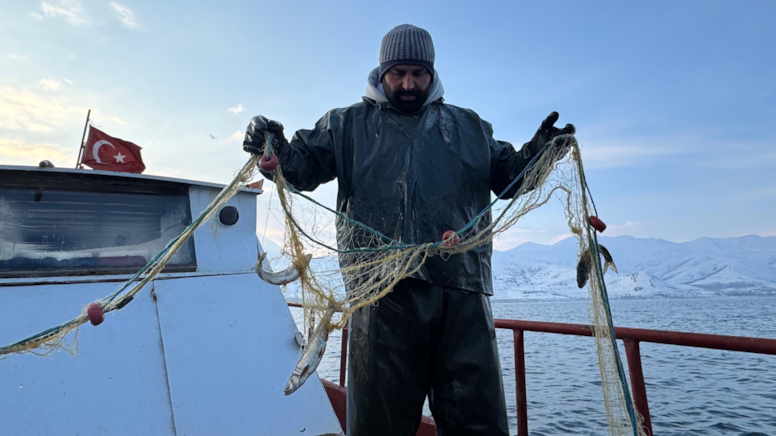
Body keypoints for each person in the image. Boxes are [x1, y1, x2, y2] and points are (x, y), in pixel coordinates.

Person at [243, 24, 574, 436]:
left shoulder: (470, 126)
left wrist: (540, 152)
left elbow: (510, 176)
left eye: (418, 73)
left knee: (479, 420)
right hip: (380, 295)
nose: (408, 83)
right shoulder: (345, 125)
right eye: (398, 73)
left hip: (462, 291)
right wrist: (275, 145)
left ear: (432, 74)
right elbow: (303, 168)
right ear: (380, 72)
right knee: (379, 424)